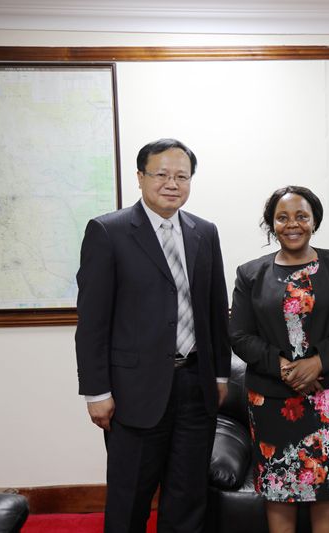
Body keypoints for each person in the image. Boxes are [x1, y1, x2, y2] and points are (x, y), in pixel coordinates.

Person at [75, 138, 230, 532]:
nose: (171, 183)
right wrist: (96, 392)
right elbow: (92, 322)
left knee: (188, 496)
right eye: (161, 174)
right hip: (133, 391)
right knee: (130, 498)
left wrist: (220, 375)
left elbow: (215, 309)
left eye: (182, 176)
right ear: (140, 177)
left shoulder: (204, 232)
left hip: (195, 384)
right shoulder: (108, 232)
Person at [229, 186, 329, 533]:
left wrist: (317, 363)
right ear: (271, 224)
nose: (293, 224)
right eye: (283, 217)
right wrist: (286, 369)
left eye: (302, 216)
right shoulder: (250, 274)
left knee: (328, 487)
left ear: (314, 221)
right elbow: (239, 335)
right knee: (278, 489)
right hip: (271, 399)